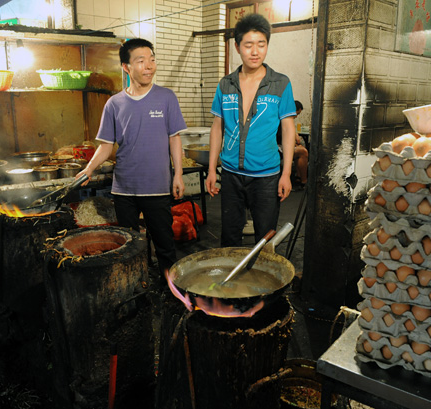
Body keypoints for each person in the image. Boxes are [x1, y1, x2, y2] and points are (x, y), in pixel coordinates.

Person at [76, 38, 187, 273]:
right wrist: (89, 168)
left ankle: (171, 290)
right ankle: (137, 286)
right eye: (141, 61)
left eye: (152, 60)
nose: (149, 66)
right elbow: (106, 145)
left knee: (165, 245)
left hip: (157, 187)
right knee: (130, 246)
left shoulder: (166, 97)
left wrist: (178, 174)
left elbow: (174, 138)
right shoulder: (114, 104)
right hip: (124, 189)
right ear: (126, 67)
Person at [205, 13, 297, 247]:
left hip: (266, 176)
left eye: (261, 44)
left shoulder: (280, 83)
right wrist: (212, 169)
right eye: (248, 45)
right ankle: (231, 283)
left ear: (267, 46)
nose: (255, 51)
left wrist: (286, 173)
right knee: (230, 236)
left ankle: (263, 283)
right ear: (237, 47)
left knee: (265, 239)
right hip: (231, 173)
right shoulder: (226, 84)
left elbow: (288, 130)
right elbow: (217, 128)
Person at [278, 100, 308, 187]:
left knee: (301, 148)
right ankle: (304, 181)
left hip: (280, 146)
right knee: (303, 152)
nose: (296, 116)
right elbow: (283, 139)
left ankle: (298, 177)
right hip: (276, 148)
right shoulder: (282, 119)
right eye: (297, 114)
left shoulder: (286, 119)